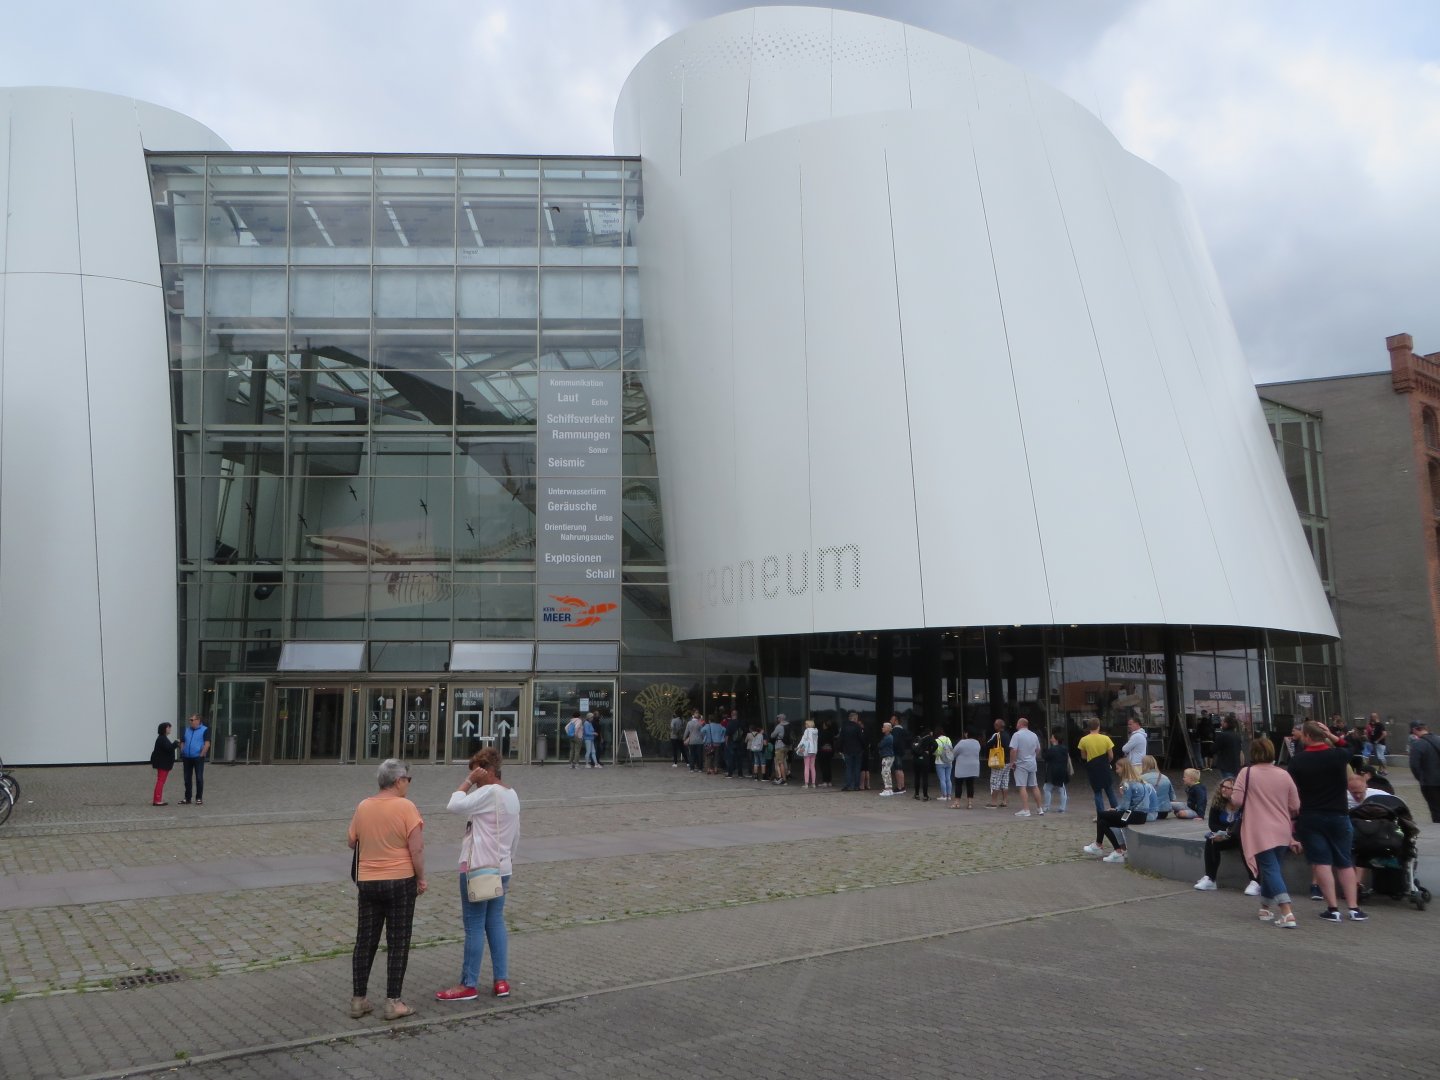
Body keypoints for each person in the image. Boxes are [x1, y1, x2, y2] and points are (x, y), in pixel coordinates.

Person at [435, 747, 519, 1003]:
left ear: (488, 771)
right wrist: (508, 860)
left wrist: (468, 782)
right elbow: (516, 834)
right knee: (495, 922)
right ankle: (501, 980)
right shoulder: (511, 794)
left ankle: (468, 984)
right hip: (502, 868)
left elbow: (454, 804)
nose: (474, 779)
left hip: (478, 869)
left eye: (477, 773)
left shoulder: (488, 792)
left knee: (473, 926)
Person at [348, 758, 426, 1021]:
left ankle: (359, 1000)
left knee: (365, 941)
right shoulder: (407, 808)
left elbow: (351, 841)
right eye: (408, 779)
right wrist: (421, 878)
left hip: (368, 881)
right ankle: (393, 1001)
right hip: (400, 881)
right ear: (398, 781)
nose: (409, 784)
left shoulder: (363, 806)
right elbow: (416, 849)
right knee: (398, 941)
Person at [1289, 720, 1366, 922]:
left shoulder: (1298, 761)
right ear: (1322, 735)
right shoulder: (1338, 756)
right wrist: (1331, 735)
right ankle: (1354, 908)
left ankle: (1332, 909)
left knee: (1322, 862)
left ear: (1306, 737)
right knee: (1345, 862)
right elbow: (1352, 747)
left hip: (1311, 816)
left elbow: (1292, 789)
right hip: (1338, 815)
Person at [1230, 739, 1302, 928]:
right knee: (1273, 868)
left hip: (1258, 828)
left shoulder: (1247, 773)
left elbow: (1236, 800)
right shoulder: (1284, 774)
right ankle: (1265, 907)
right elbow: (1295, 805)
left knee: (1269, 869)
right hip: (1282, 828)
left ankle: (1287, 912)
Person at [1192, 776, 1256, 894]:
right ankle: (1210, 879)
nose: (1223, 789)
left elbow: (1247, 825)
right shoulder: (1218, 803)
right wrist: (1224, 833)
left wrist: (1230, 832)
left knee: (1243, 842)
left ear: (1236, 791)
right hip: (1226, 836)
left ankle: (1255, 881)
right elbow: (1213, 824)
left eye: (1228, 787)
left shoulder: (1244, 805)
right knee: (1211, 840)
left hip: (1243, 837)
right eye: (1222, 786)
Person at [1083, 759, 1154, 864]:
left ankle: (1098, 845)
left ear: (1123, 768)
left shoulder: (1127, 784)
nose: (1116, 771)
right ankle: (1117, 851)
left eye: (1117, 768)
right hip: (1139, 815)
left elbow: (1125, 806)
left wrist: (1115, 809)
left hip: (1133, 814)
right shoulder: (1139, 781)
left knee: (1101, 814)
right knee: (1103, 822)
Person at [1078, 718, 1117, 815]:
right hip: (1104, 765)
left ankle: (1101, 814)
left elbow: (1083, 756)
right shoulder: (1106, 738)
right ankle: (1116, 810)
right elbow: (1111, 756)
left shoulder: (1083, 740)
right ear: (1099, 726)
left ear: (1088, 727)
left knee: (1097, 791)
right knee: (1109, 789)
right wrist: (1107, 762)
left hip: (1092, 767)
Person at [1008, 717, 1043, 817]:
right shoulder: (1034, 735)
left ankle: (1026, 809)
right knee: (1034, 785)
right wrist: (1032, 756)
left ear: (1020, 724)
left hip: (1021, 763)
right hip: (1032, 763)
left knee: (1022, 786)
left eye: (1017, 723)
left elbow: (1013, 750)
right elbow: (1038, 749)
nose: (1016, 725)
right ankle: (1039, 808)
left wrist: (1012, 762)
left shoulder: (1017, 735)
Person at [1407, 721, 1440, 822]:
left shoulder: (1417, 744)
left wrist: (1421, 777)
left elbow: (1414, 765)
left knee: (1436, 809)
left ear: (1414, 730)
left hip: (1429, 782)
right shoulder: (1439, 739)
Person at [179, 714, 210, 806]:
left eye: (192, 720)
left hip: (198, 757)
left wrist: (201, 754)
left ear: (198, 720)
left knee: (199, 778)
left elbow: (207, 744)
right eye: (190, 720)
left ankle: (199, 798)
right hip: (187, 757)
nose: (190, 721)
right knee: (187, 778)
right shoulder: (187, 730)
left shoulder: (204, 729)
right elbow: (183, 741)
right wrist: (182, 750)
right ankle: (187, 798)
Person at [950, 729, 982, 809]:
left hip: (962, 766)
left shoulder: (962, 742)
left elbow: (954, 753)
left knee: (958, 784)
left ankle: (957, 802)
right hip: (973, 766)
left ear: (966, 734)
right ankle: (970, 803)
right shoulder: (977, 743)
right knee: (970, 784)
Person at [1041, 731, 1071, 814]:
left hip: (1052, 771)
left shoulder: (1052, 749)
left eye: (1052, 737)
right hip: (1062, 771)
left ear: (1056, 739)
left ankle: (1047, 807)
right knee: (1062, 789)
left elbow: (1046, 758)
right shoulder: (1065, 749)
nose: (1051, 739)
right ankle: (1062, 807)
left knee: (1047, 789)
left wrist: (1044, 752)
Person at [984, 718, 1011, 809]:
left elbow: (988, 744)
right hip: (1007, 761)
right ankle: (1004, 801)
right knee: (1005, 781)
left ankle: (993, 802)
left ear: (997, 726)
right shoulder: (1007, 735)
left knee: (995, 781)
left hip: (999, 761)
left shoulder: (997, 735)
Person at [149, 722, 178, 806]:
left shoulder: (163, 738)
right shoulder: (162, 738)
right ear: (164, 729)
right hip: (163, 764)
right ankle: (157, 800)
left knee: (161, 781)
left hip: (163, 763)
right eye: (168, 727)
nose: (170, 729)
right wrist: (176, 743)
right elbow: (169, 748)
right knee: (161, 781)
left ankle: (157, 799)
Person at [889, 715, 912, 796]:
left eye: (892, 719)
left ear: (896, 721)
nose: (890, 721)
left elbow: (894, 742)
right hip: (901, 751)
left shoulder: (895, 730)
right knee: (900, 769)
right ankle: (902, 786)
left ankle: (900, 787)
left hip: (896, 752)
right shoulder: (903, 730)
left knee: (897, 769)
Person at [912, 726, 935, 801]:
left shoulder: (917, 738)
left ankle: (917, 794)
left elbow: (912, 749)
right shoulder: (929, 737)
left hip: (916, 759)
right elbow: (936, 745)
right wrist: (930, 752)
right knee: (925, 777)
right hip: (925, 759)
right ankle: (925, 796)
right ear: (929, 732)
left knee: (917, 777)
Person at [796, 718, 820, 788]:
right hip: (814, 751)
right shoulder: (816, 731)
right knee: (812, 767)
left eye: (806, 724)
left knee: (806, 766)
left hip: (807, 750)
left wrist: (798, 747)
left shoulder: (807, 731)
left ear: (808, 724)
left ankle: (806, 784)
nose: (805, 725)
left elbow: (803, 740)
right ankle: (813, 784)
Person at [934, 728, 954, 803]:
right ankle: (949, 796)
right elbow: (951, 748)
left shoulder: (937, 740)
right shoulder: (948, 739)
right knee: (948, 778)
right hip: (949, 761)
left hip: (940, 762)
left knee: (942, 779)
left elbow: (936, 752)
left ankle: (944, 796)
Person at [770, 715, 790, 785]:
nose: (777, 719)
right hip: (786, 746)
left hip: (779, 746)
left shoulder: (779, 726)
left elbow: (772, 735)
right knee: (784, 762)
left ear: (780, 719)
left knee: (780, 763)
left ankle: (783, 779)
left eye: (778, 718)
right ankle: (784, 777)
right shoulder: (788, 725)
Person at [816, 719, 836, 788]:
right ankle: (829, 782)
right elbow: (833, 743)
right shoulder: (831, 733)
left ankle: (825, 782)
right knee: (828, 766)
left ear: (824, 725)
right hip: (829, 751)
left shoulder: (821, 733)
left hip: (822, 752)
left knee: (823, 767)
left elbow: (819, 743)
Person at [877, 722, 895, 797]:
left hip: (887, 756)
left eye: (884, 727)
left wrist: (879, 745)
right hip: (889, 756)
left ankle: (887, 789)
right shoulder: (889, 737)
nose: (882, 728)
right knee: (887, 772)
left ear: (887, 729)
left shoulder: (888, 737)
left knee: (885, 772)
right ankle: (889, 789)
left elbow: (880, 745)